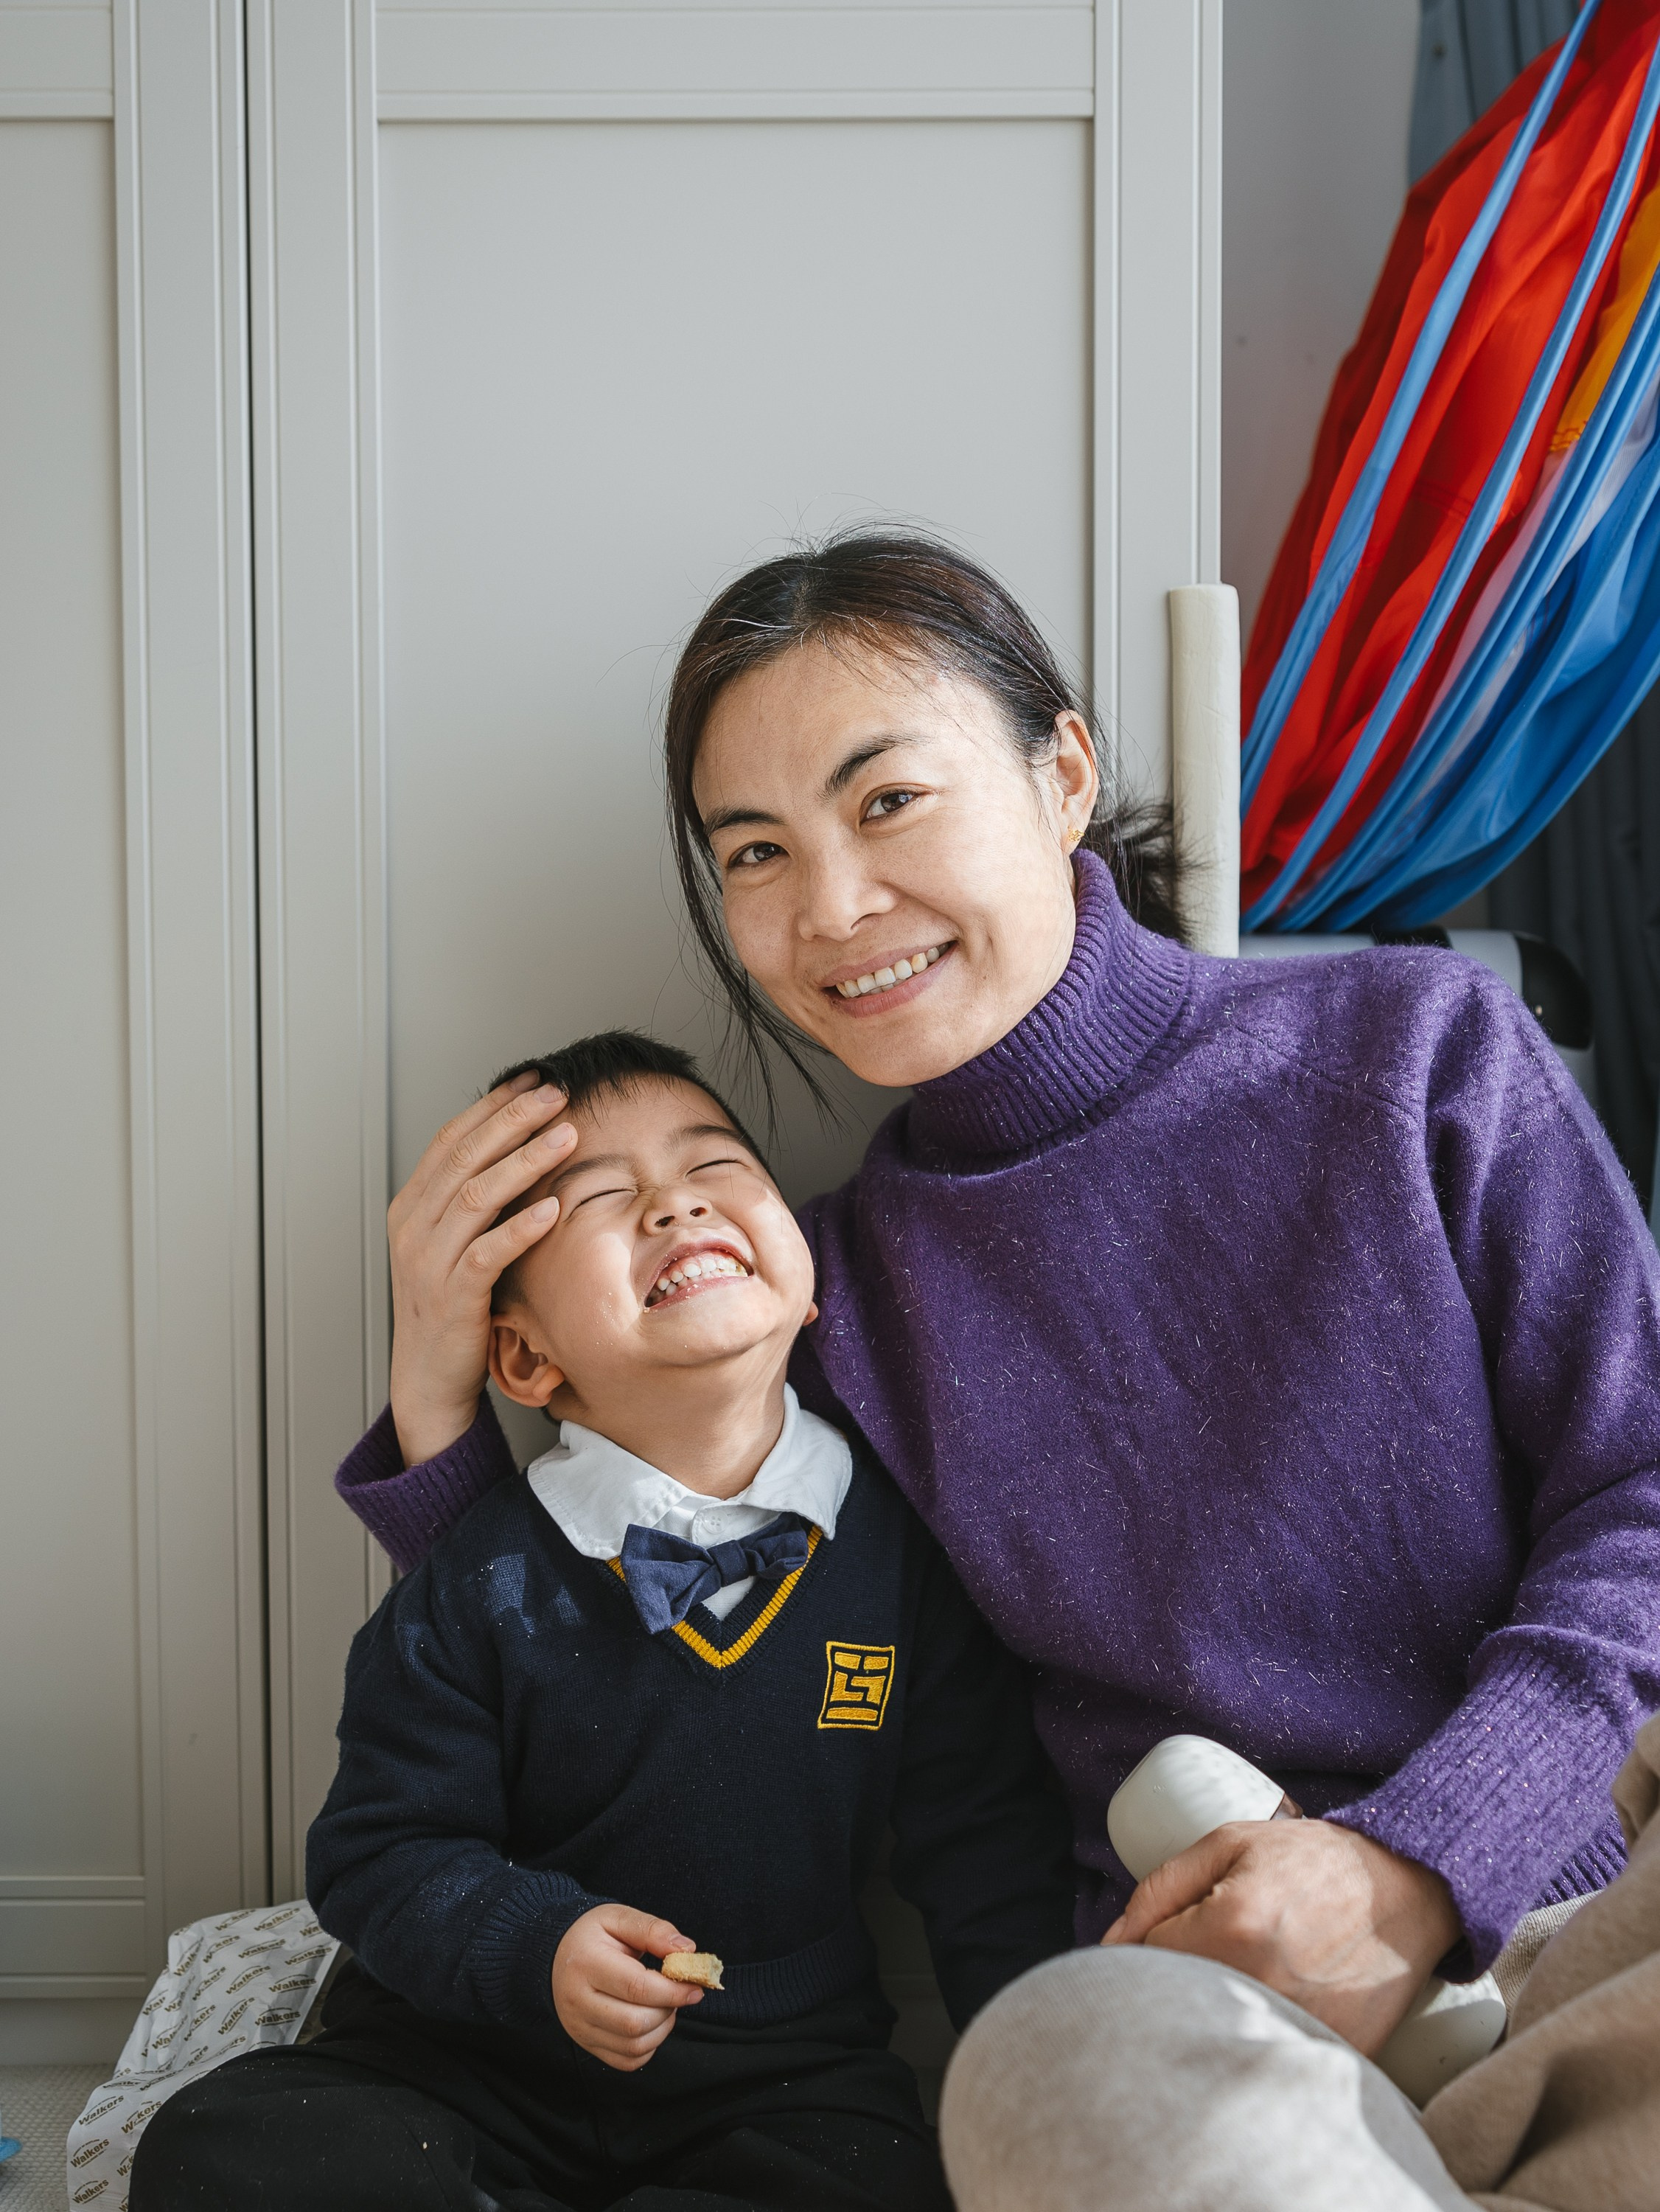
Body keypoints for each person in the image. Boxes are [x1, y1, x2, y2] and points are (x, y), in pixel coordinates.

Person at [333, 533, 1660, 2081]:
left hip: (1581, 1898)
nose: (832, 907)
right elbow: (600, 1630)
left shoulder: (1414, 1050)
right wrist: (438, 1384)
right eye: (754, 853)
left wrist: (1415, 1864)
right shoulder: (826, 1298)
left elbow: (1640, 1491)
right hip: (1188, 2018)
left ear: (1063, 776)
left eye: (887, 800)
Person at [131, 1032, 1074, 2212]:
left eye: (714, 1166)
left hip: (779, 2073)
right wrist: (536, 1944)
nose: (677, 1206)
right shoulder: (478, 1577)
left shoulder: (906, 1555)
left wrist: (1052, 2080)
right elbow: (378, 1852)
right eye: (601, 1200)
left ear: (810, 1278)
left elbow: (987, 1851)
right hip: (470, 2063)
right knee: (220, 2145)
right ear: (526, 1360)